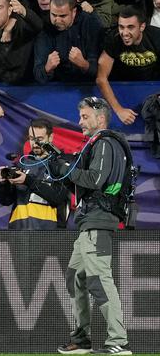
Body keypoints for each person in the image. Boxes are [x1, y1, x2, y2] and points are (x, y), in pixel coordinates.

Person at [49, 97, 134, 356]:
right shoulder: (103, 145)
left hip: (99, 219)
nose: (80, 122)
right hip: (90, 221)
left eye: (85, 117)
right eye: (80, 117)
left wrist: (65, 168)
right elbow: (87, 181)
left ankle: (118, 341)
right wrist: (61, 170)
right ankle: (82, 339)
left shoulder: (106, 142)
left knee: (99, 279)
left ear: (100, 118)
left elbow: (95, 180)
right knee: (75, 276)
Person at [0, 118, 70, 229]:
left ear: (51, 137)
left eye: (39, 139)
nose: (35, 143)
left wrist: (27, 180)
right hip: (18, 232)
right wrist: (3, 184)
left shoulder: (62, 164)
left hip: (49, 235)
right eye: (31, 138)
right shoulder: (22, 164)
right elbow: (5, 201)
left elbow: (58, 197)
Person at [95, 6, 160, 124]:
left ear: (142, 26)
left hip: (153, 90)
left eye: (130, 27)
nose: (124, 33)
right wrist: (118, 110)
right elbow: (101, 78)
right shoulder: (113, 39)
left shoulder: (157, 37)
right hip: (121, 91)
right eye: (121, 27)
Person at [34, 0, 103, 84]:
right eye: (53, 15)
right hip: (59, 87)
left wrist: (84, 64)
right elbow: (37, 74)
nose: (57, 20)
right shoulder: (45, 29)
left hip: (89, 86)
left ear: (74, 12)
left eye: (63, 16)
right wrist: (47, 68)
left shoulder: (90, 23)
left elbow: (102, 71)